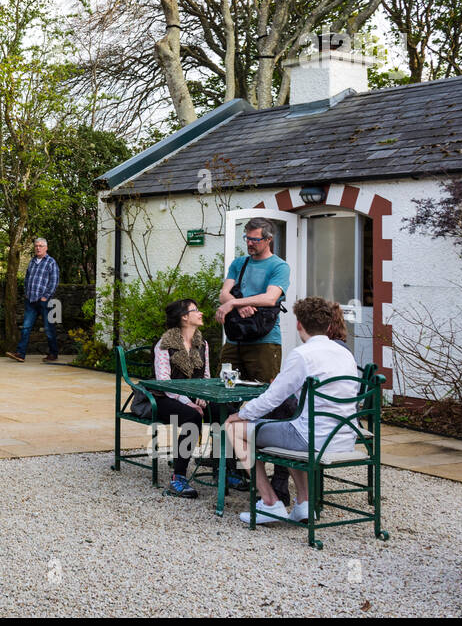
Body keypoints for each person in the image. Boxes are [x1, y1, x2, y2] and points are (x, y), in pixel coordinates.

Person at [224, 297, 360, 526]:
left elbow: (272, 398)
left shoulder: (302, 355)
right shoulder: (346, 354)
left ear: (299, 325)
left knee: (234, 428)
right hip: (344, 437)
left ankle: (269, 502)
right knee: (287, 426)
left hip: (313, 439)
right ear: (328, 326)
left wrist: (241, 415)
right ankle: (304, 504)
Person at [215, 216, 293, 503]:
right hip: (234, 341)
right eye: (247, 239)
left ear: (268, 239)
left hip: (264, 343)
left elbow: (272, 299)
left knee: (273, 401)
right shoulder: (239, 263)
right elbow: (224, 291)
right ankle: (229, 467)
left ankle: (280, 477)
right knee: (225, 396)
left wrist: (238, 302)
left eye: (255, 239)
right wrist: (235, 301)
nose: (249, 243)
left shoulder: (279, 266)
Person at [152, 298, 211, 499]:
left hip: (195, 397)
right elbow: (164, 383)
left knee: (228, 412)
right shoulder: (164, 345)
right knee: (192, 417)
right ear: (184, 317)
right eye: (196, 310)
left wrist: (204, 397)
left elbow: (206, 377)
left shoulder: (202, 344)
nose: (200, 313)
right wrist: (189, 402)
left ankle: (228, 469)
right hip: (164, 399)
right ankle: (178, 478)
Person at [6, 238, 60, 363]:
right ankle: (20, 354)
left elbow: (54, 281)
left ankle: (53, 353)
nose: (38, 248)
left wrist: (45, 296)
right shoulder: (32, 261)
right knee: (26, 327)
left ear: (46, 248)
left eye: (41, 246)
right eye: (36, 246)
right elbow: (27, 279)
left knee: (48, 328)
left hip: (45, 301)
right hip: (30, 300)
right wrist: (26, 293)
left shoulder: (51, 262)